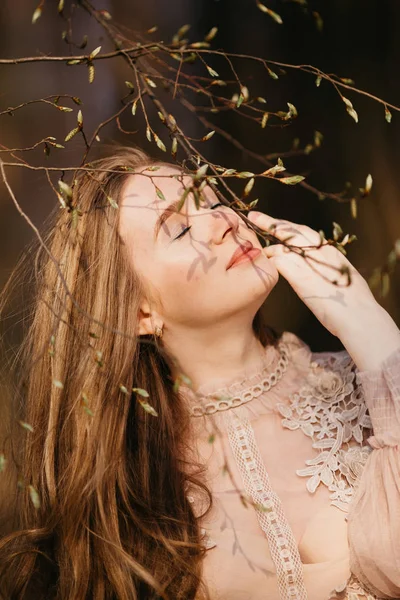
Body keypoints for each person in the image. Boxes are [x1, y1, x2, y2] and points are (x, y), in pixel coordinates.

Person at [0, 144, 399, 600]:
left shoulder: (369, 387)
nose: (222, 220)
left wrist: (370, 328)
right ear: (138, 313)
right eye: (178, 229)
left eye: (210, 200)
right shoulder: (128, 492)